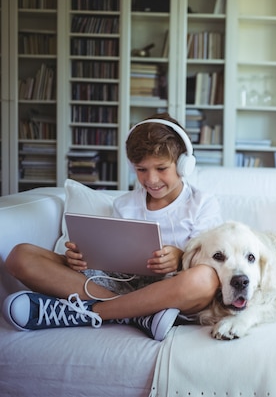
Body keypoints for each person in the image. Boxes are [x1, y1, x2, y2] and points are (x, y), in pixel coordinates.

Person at [2, 113, 222, 341]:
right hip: (120, 283)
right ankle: (136, 315)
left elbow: (214, 260)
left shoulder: (202, 203)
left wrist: (180, 257)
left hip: (171, 290)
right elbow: (112, 260)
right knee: (20, 256)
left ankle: (94, 312)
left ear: (184, 164)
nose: (152, 179)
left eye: (161, 168)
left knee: (205, 278)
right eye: (141, 169)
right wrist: (80, 259)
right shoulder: (124, 205)